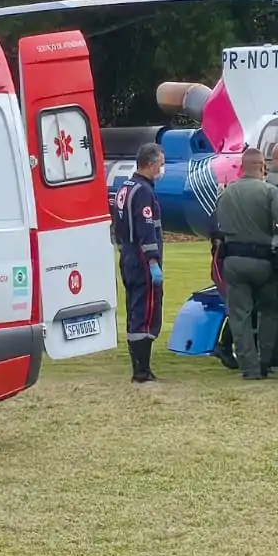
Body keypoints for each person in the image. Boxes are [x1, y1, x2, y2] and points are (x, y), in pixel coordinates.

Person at [215, 147, 278, 379]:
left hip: (233, 261)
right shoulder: (268, 191)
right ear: (262, 167)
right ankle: (265, 361)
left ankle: (249, 368)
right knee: (270, 312)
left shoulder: (226, 193)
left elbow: (218, 226)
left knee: (240, 316)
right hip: (263, 261)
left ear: (242, 167)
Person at [112, 144, 166, 383]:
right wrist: (153, 261)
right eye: (161, 164)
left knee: (134, 310)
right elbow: (146, 228)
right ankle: (142, 371)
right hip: (142, 259)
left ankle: (140, 368)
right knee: (147, 311)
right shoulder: (143, 191)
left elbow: (117, 225)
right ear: (151, 165)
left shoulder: (124, 187)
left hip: (128, 255)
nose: (162, 169)